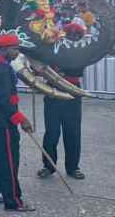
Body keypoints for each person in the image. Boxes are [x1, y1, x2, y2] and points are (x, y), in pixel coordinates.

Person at [0, 34, 35, 212]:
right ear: (5, 49)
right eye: (15, 49)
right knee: (9, 162)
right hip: (2, 120)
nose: (17, 52)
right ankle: (13, 201)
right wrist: (22, 120)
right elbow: (5, 101)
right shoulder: (3, 70)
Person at [37, 22, 86, 181]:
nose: (72, 38)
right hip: (53, 93)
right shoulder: (52, 48)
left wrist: (58, 69)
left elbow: (77, 70)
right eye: (70, 35)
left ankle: (73, 167)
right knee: (52, 132)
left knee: (73, 132)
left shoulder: (81, 52)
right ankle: (48, 165)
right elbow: (43, 67)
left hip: (72, 95)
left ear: (79, 38)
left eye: (76, 36)